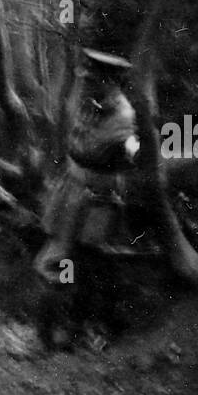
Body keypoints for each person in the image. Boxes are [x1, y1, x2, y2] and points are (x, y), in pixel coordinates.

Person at [32, 49, 141, 285]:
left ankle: (65, 300)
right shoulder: (92, 102)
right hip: (72, 184)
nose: (87, 84)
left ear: (110, 81)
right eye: (87, 78)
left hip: (93, 195)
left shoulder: (123, 115)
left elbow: (128, 152)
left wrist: (130, 150)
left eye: (93, 79)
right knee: (56, 246)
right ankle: (56, 292)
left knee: (71, 254)